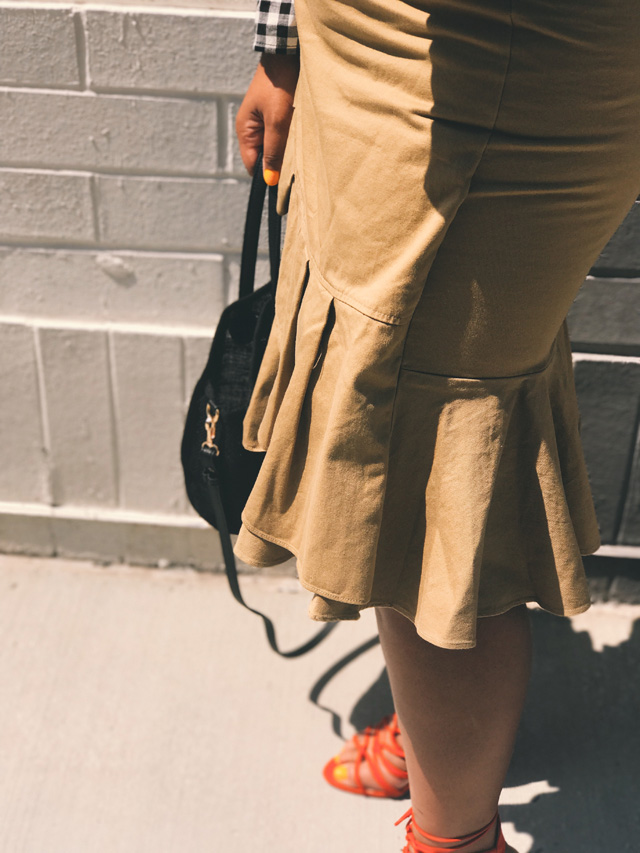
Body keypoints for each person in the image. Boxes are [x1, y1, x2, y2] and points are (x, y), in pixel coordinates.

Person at [235, 0, 640, 850]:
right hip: (363, 51)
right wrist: (283, 43)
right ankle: (447, 752)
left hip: (490, 62)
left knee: (434, 484)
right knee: (403, 434)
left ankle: (456, 833)